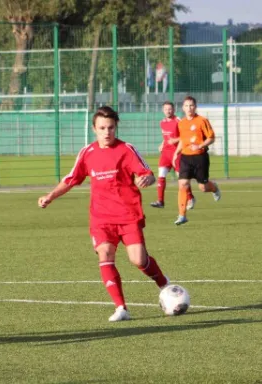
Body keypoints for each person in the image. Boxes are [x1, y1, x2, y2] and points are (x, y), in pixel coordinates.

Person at [38, 106, 170, 322]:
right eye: (102, 128)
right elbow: (72, 178)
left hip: (128, 215)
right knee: (105, 254)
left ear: (116, 127)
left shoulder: (127, 149)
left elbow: (148, 173)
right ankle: (121, 308)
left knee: (138, 260)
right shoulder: (87, 153)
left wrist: (148, 178)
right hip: (101, 218)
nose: (107, 132)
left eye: (110, 128)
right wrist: (50, 196)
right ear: (94, 129)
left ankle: (164, 283)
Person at [172, 96, 221, 225]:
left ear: (195, 107)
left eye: (191, 105)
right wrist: (176, 153)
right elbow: (183, 140)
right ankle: (182, 215)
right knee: (182, 184)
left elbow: (211, 138)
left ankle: (214, 188)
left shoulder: (202, 121)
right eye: (186, 106)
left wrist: (200, 146)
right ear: (183, 108)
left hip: (200, 157)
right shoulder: (181, 123)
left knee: (203, 188)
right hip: (185, 157)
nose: (189, 108)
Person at [150, 101, 195, 209]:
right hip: (165, 153)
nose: (168, 111)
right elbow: (165, 137)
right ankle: (160, 201)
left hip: (177, 153)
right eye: (166, 109)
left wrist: (175, 140)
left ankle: (190, 198)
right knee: (161, 175)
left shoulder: (178, 121)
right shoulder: (162, 122)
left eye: (170, 109)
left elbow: (185, 135)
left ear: (174, 110)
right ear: (163, 110)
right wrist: (162, 144)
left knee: (182, 178)